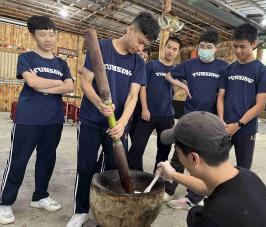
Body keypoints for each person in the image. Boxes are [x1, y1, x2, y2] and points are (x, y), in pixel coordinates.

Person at [66, 12, 159, 227]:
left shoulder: (138, 62)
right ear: (130, 29)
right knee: (86, 167)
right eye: (140, 42)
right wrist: (99, 102)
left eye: (145, 45)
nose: (140, 48)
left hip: (117, 127)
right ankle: (80, 210)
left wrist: (123, 123)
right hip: (90, 120)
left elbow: (133, 96)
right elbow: (86, 83)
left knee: (113, 170)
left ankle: (105, 212)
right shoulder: (102, 48)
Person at [0, 15, 74, 225]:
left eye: (51, 34)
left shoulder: (61, 62)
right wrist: (54, 83)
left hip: (53, 120)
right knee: (19, 159)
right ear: (33, 35)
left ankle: (40, 196)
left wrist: (43, 85)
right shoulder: (27, 57)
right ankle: (4, 202)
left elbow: (69, 86)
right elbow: (31, 82)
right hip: (28, 118)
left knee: (47, 159)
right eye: (43, 34)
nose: (48, 38)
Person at [156, 111, 266, 227]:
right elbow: (210, 187)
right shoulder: (250, 177)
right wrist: (172, 174)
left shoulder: (209, 218)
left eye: (178, 152)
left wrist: (194, 213)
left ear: (194, 159)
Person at [164, 30, 229, 210]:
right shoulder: (189, 65)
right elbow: (168, 75)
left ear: (215, 48)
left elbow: (225, 93)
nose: (205, 50)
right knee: (179, 153)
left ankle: (195, 197)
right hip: (189, 116)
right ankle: (169, 190)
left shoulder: (223, 67)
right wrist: (182, 84)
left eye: (209, 47)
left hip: (210, 120)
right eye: (202, 47)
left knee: (202, 159)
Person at [217, 23, 266, 169]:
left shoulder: (262, 72)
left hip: (246, 129)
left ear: (254, 44)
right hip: (225, 127)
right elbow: (221, 97)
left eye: (243, 47)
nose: (238, 50)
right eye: (235, 46)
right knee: (213, 164)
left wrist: (238, 125)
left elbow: (260, 105)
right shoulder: (228, 69)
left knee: (243, 169)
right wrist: (221, 120)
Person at [127, 36, 181, 172]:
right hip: (147, 114)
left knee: (163, 153)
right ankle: (133, 178)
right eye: (169, 47)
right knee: (136, 149)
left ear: (177, 52)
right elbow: (142, 87)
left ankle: (156, 183)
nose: (170, 51)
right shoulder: (151, 65)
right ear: (164, 47)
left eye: (174, 49)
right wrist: (144, 108)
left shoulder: (177, 70)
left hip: (167, 117)